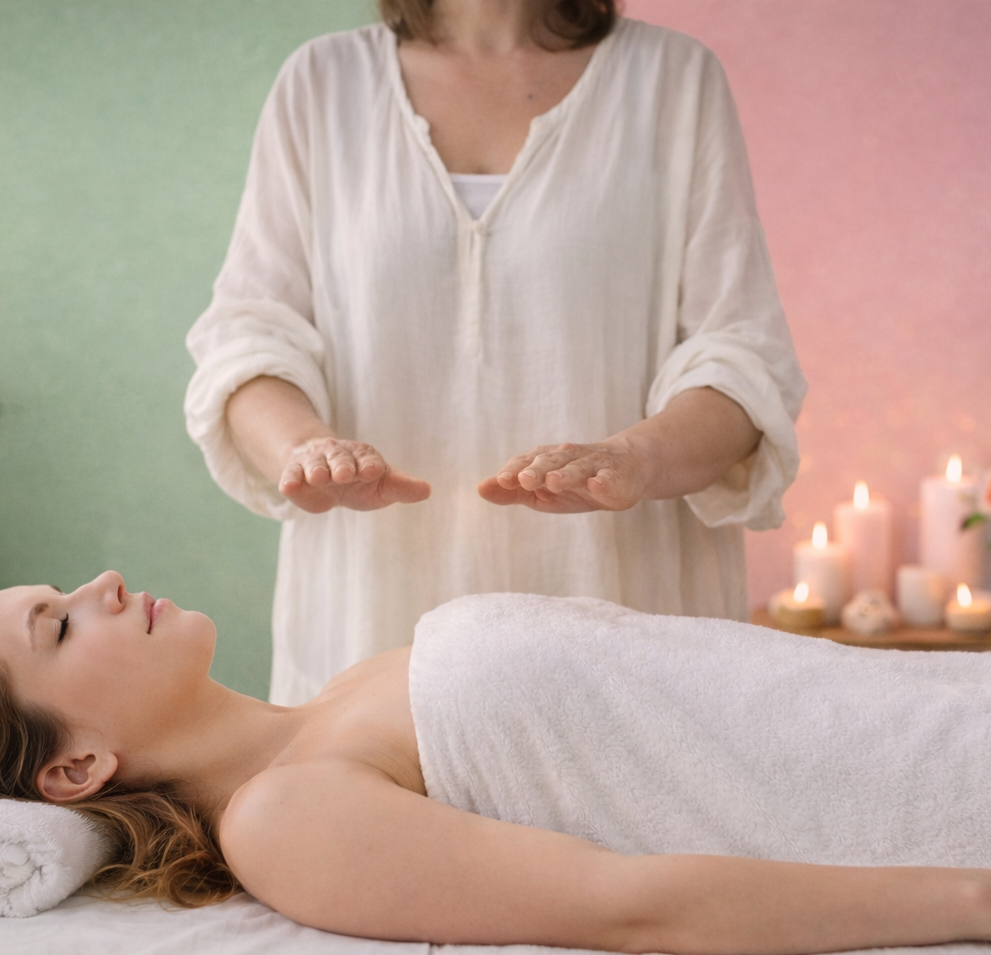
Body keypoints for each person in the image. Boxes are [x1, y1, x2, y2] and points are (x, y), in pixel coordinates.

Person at [0, 571, 991, 955]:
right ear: (76, 766)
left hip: (986, 707)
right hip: (985, 783)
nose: (100, 581)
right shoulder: (289, 823)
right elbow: (632, 903)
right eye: (58, 621)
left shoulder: (331, 700)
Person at [184, 0, 806, 704]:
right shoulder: (321, 83)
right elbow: (247, 337)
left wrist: (639, 460)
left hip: (625, 628)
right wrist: (304, 449)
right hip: (374, 631)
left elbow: (743, 357)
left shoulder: (673, 78)